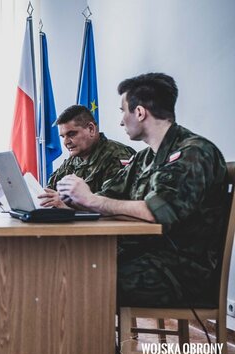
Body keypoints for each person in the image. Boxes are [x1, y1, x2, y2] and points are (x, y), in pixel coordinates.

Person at [56, 72, 228, 308]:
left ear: (139, 112)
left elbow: (156, 212)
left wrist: (90, 200)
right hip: (143, 254)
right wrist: (70, 199)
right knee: (64, 268)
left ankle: (94, 346)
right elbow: (107, 195)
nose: (120, 121)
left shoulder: (194, 152)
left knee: (79, 281)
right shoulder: (144, 158)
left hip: (180, 271)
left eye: (122, 111)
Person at [39, 105, 135, 208]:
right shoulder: (73, 159)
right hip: (76, 223)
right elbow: (51, 191)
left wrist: (68, 207)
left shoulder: (117, 156)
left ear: (91, 129)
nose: (66, 142)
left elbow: (113, 206)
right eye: (63, 137)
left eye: (71, 134)